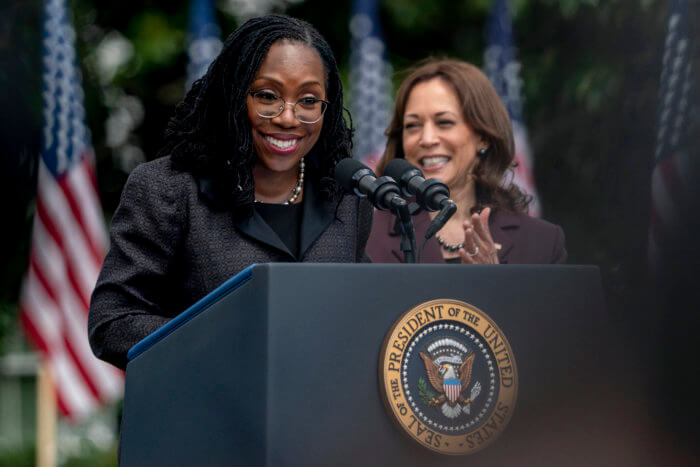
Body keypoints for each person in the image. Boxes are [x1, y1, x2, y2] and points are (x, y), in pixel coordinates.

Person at [88, 15, 373, 370]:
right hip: (207, 414)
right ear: (235, 95)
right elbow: (113, 323)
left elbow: (363, 315)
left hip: (320, 419)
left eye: (309, 100)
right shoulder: (169, 189)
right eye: (267, 96)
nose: (288, 117)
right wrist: (225, 342)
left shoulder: (346, 198)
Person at [366, 58, 566, 264]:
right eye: (413, 126)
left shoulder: (542, 242)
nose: (426, 139)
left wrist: (497, 283)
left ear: (483, 137)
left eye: (444, 122)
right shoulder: (366, 237)